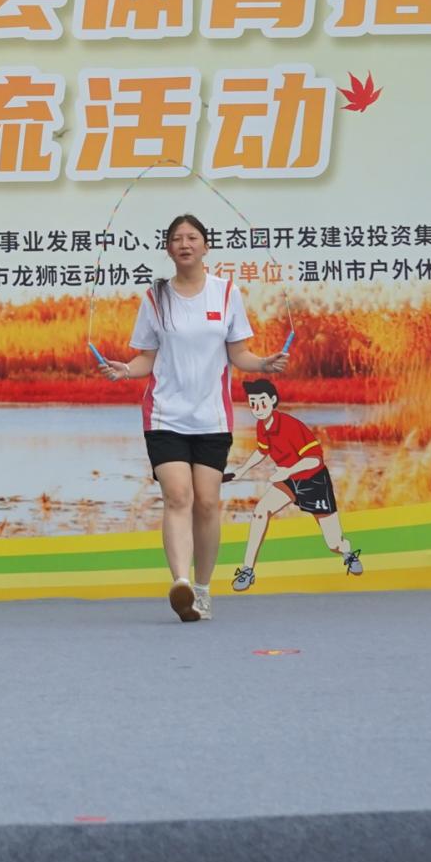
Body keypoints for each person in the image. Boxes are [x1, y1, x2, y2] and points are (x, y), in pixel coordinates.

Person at [95, 214, 291, 621]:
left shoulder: (226, 293)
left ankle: (202, 590)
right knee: (178, 496)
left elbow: (239, 353)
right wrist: (124, 370)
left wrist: (264, 364)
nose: (184, 244)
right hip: (165, 415)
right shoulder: (155, 298)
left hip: (212, 419)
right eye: (176, 238)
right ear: (168, 249)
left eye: (192, 237)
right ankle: (181, 583)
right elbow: (145, 359)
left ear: (206, 246)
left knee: (206, 503)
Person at [228, 378, 361, 591]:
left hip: (313, 481)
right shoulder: (262, 426)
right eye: (253, 403)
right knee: (260, 512)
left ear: (273, 400)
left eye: (262, 402)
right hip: (288, 480)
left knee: (334, 543)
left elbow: (315, 459)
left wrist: (287, 471)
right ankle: (247, 570)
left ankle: (348, 553)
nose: (257, 408)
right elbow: (262, 450)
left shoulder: (291, 426)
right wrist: (241, 471)